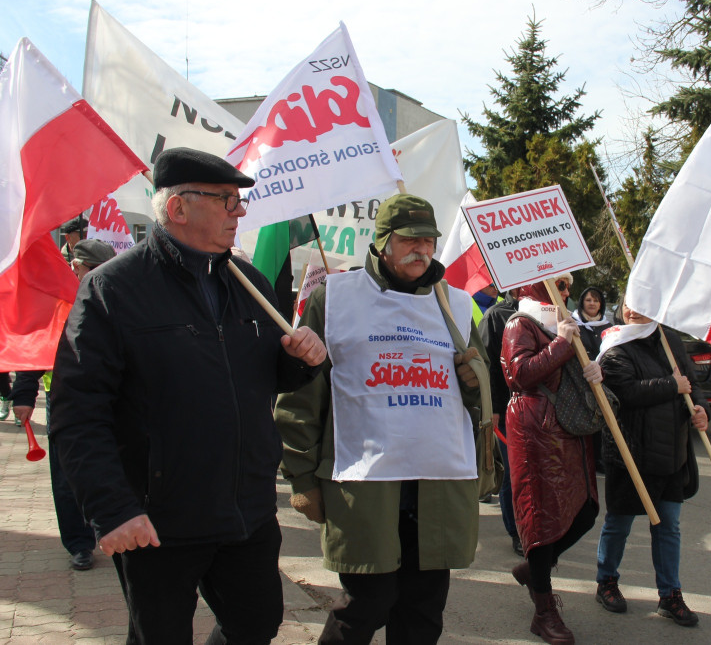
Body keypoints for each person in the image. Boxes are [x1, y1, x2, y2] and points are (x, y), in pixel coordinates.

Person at [50, 147, 328, 645]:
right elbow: (77, 413)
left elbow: (261, 376)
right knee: (159, 636)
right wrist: (112, 509)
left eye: (239, 201)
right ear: (178, 208)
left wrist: (300, 358)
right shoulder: (111, 290)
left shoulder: (249, 283)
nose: (239, 212)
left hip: (247, 509)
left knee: (257, 623)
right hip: (158, 519)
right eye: (226, 200)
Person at [275, 193, 489, 645]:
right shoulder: (332, 298)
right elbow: (299, 396)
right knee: (366, 604)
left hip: (437, 486)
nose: (423, 249)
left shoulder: (454, 303)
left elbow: (483, 400)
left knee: (423, 613)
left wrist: (476, 380)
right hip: (365, 483)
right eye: (411, 239)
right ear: (383, 243)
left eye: (429, 240)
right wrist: (302, 478)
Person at [592, 301, 709, 627]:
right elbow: (624, 392)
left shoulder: (669, 340)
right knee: (620, 524)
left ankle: (670, 594)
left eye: (643, 303)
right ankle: (607, 581)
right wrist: (672, 385)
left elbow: (692, 383)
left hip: (672, 453)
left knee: (668, 526)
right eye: (629, 303)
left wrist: (701, 410)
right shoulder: (616, 343)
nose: (634, 310)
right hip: (632, 452)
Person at [502, 280, 603, 645]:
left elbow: (576, 372)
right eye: (557, 284)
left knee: (586, 510)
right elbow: (519, 374)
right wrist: (561, 343)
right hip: (536, 433)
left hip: (570, 433)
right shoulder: (521, 323)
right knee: (543, 519)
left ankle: (534, 569)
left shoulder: (564, 322)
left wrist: (595, 372)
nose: (563, 289)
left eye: (564, 284)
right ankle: (543, 610)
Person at [11, 239, 117, 571]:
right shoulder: (57, 301)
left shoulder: (121, 299)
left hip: (112, 402)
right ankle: (79, 543)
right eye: (72, 263)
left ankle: (112, 528)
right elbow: (36, 347)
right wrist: (25, 396)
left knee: (116, 469)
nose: (72, 268)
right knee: (67, 475)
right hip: (64, 402)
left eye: (79, 264)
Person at [478, 286, 523, 555]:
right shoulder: (496, 315)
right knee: (512, 472)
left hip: (538, 410)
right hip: (506, 410)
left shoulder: (548, 313)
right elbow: (488, 364)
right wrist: (493, 406)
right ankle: (516, 532)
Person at [572, 286, 612, 361]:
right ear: (582, 303)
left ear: (600, 305)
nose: (592, 303)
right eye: (588, 300)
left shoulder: (609, 327)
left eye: (596, 301)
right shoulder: (572, 323)